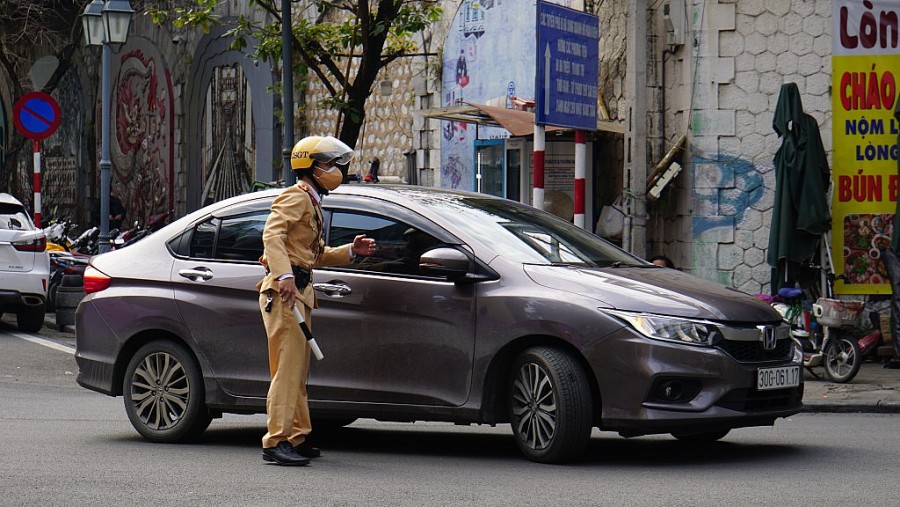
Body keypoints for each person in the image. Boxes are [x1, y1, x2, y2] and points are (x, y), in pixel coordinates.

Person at [257, 135, 377, 466]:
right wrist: (282, 276)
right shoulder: (295, 197)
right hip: (286, 294)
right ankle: (276, 440)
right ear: (311, 167)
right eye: (329, 164)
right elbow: (272, 235)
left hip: (300, 293)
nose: (335, 170)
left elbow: (314, 255)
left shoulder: (311, 202)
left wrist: (351, 251)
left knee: (297, 370)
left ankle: (295, 436)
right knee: (287, 371)